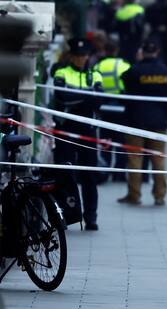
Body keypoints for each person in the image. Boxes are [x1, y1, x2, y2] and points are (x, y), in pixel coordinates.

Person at [53, 38, 104, 231]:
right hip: (66, 128)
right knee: (65, 173)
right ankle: (66, 215)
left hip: (87, 130)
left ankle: (91, 217)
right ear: (72, 56)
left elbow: (99, 100)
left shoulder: (95, 74)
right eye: (78, 56)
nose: (81, 59)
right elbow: (60, 97)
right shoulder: (61, 72)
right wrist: (87, 97)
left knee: (89, 175)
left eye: (84, 55)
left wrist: (74, 98)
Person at [117, 37, 167, 206]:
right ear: (157, 52)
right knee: (158, 159)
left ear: (142, 52)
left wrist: (138, 61)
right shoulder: (165, 71)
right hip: (159, 121)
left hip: (136, 121)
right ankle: (160, 195)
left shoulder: (134, 70)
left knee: (135, 159)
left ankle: (134, 195)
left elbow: (124, 82)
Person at [94, 39, 131, 180]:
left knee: (105, 141)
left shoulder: (98, 65)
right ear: (116, 50)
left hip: (104, 107)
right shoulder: (124, 65)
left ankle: (105, 170)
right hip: (121, 107)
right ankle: (119, 174)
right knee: (121, 141)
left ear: (105, 50)